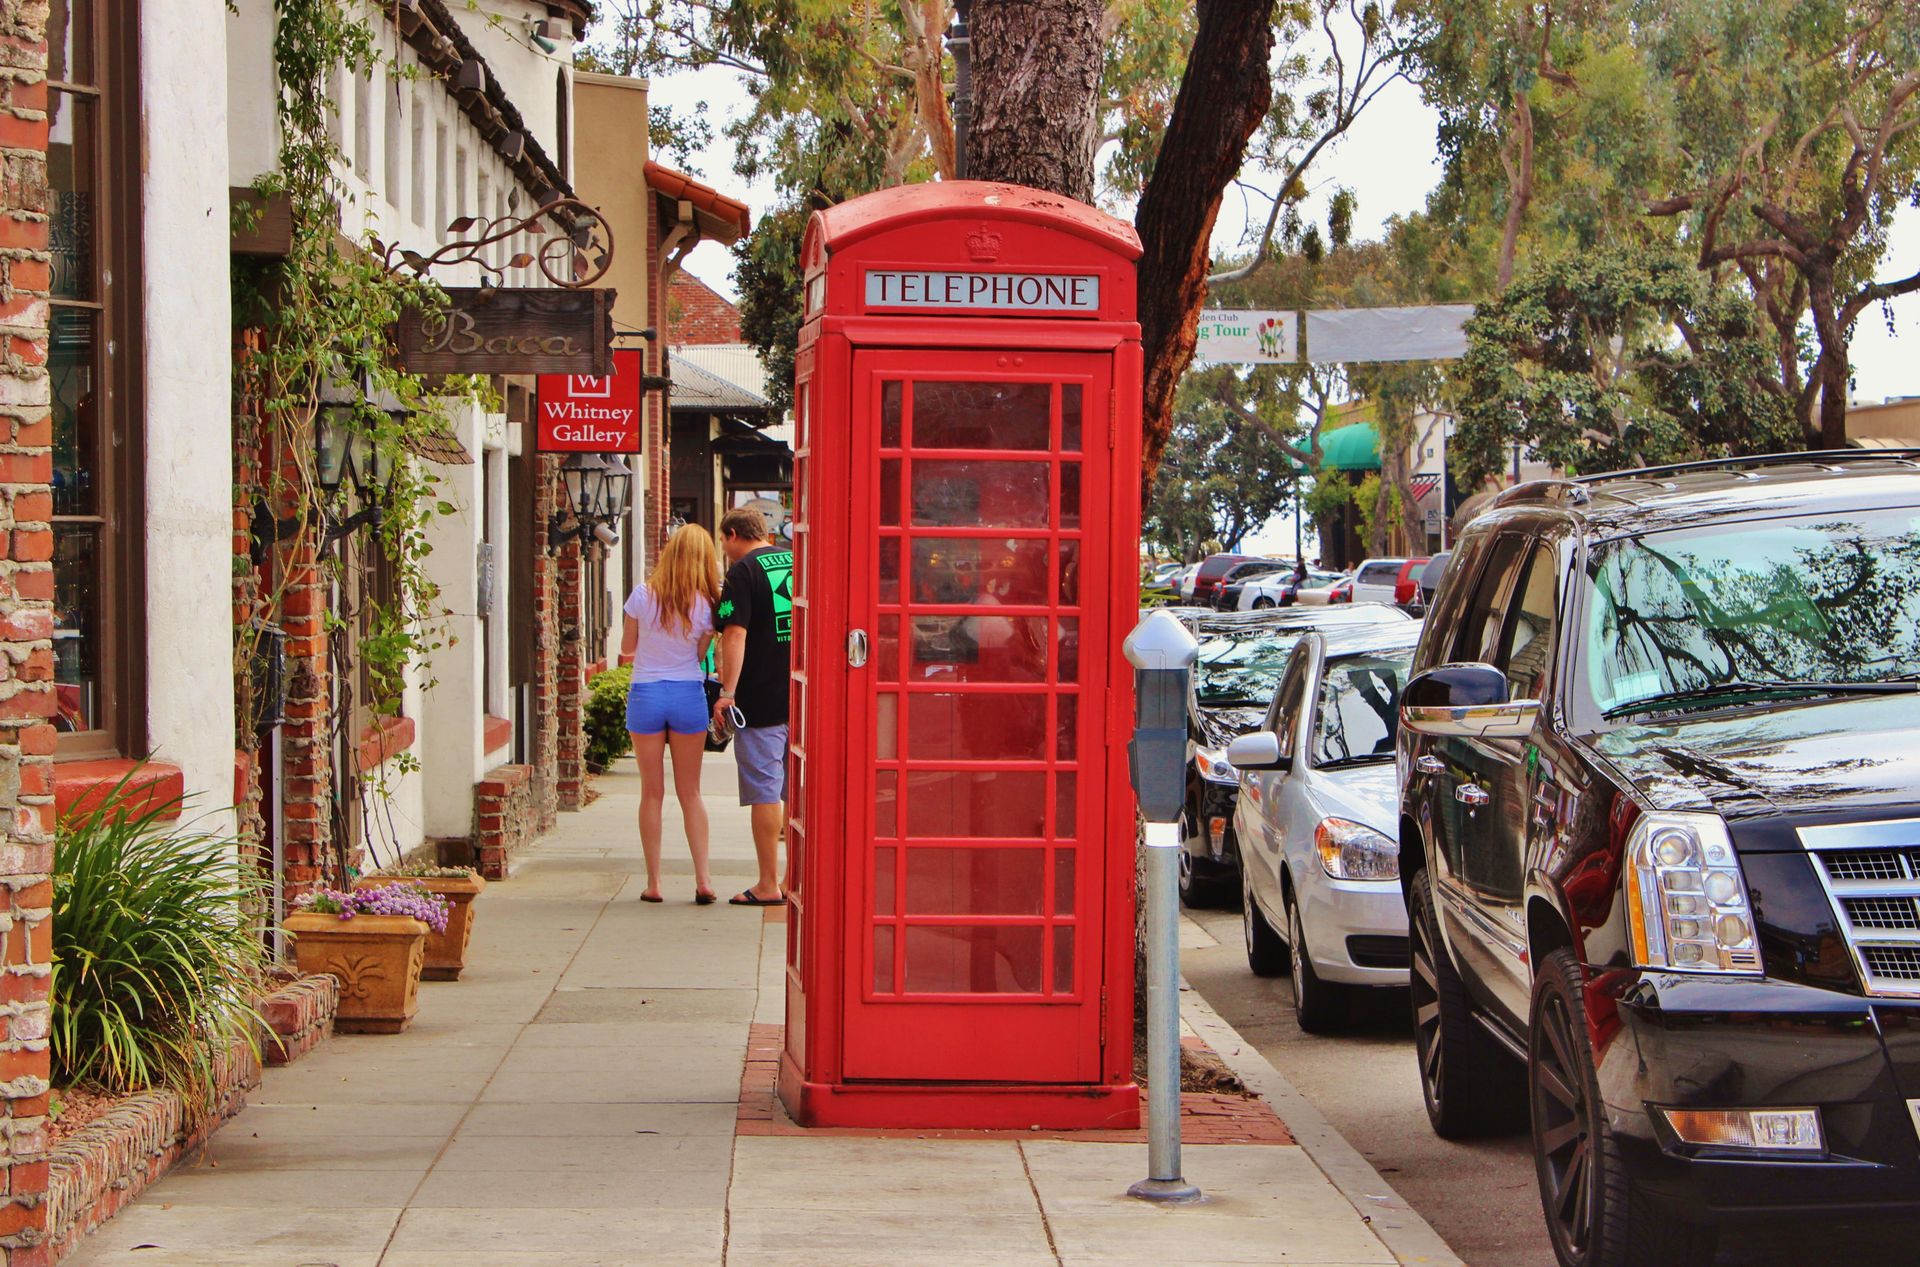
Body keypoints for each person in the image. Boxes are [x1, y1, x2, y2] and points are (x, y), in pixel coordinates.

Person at [619, 523, 722, 905]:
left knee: (652, 792)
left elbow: (628, 647)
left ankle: (655, 883)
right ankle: (703, 880)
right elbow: (699, 656)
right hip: (686, 695)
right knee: (691, 792)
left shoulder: (643, 595)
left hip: (646, 693)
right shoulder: (708, 603)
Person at [712, 507, 792, 906]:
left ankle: (767, 882)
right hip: (802, 694)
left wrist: (728, 691)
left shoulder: (742, 571)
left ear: (731, 534)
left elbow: (735, 633)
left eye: (723, 541)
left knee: (765, 790)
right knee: (800, 791)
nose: (724, 549)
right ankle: (799, 875)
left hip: (760, 698)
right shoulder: (797, 560)